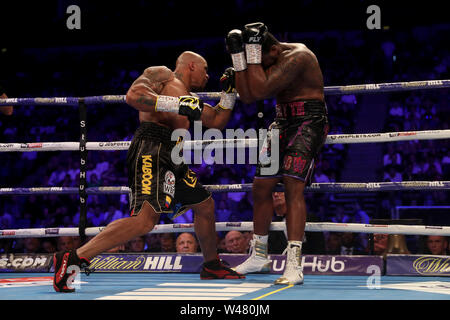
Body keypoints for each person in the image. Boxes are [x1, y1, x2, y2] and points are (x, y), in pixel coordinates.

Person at [53, 51, 244, 292]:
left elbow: (216, 121)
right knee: (145, 221)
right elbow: (133, 96)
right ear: (191, 65)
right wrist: (175, 104)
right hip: (151, 148)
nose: (208, 75)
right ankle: (74, 257)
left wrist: (229, 94)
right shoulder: (162, 75)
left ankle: (211, 265)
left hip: (174, 155)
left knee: (204, 205)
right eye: (205, 69)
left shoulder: (191, 99)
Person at [227, 22, 329, 285]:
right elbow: (248, 97)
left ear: (273, 49)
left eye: (261, 60)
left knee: (293, 186)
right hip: (281, 122)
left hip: (308, 121)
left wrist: (248, 59)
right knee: (261, 187)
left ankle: (294, 264)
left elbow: (259, 89)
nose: (259, 66)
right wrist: (239, 58)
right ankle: (259, 256)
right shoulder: (268, 57)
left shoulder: (298, 56)